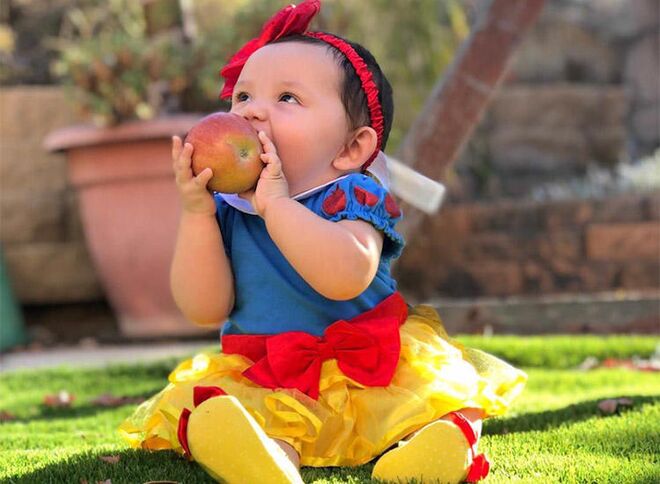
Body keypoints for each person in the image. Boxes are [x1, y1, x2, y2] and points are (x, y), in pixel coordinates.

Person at [119, 1, 527, 482]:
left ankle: (432, 453)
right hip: (268, 370)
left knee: (446, 401)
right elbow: (204, 308)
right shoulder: (230, 208)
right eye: (243, 96)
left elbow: (345, 277)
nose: (252, 112)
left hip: (370, 362)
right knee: (239, 413)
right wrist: (196, 215)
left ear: (351, 149)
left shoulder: (352, 195)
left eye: (287, 98)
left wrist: (278, 208)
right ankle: (264, 461)